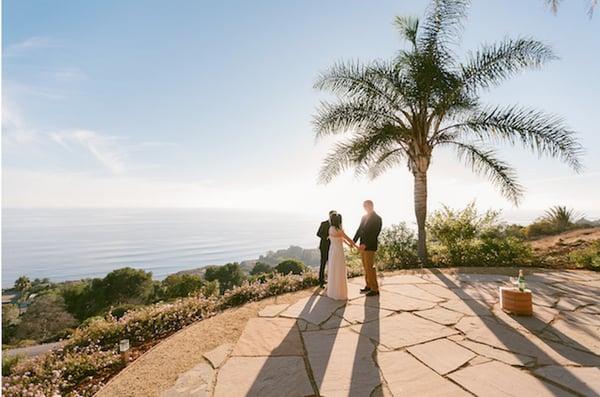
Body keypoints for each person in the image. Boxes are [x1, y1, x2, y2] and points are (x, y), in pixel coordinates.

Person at [353, 200, 383, 296]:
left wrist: (365, 244)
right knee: (366, 267)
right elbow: (359, 229)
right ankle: (368, 285)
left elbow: (374, 234)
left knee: (370, 267)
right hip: (362, 246)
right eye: (364, 206)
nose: (366, 208)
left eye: (367, 206)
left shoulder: (377, 218)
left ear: (372, 206)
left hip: (370, 246)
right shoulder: (364, 217)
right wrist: (353, 241)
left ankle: (375, 289)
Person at [326, 213, 358, 300]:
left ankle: (333, 292)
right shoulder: (339, 230)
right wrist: (356, 246)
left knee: (333, 270)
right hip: (338, 251)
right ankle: (340, 293)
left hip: (332, 250)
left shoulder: (331, 228)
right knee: (339, 270)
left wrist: (348, 244)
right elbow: (347, 238)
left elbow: (341, 239)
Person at [316, 210, 336, 288]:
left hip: (333, 246)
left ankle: (331, 280)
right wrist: (326, 237)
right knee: (323, 264)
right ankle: (321, 281)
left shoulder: (335, 225)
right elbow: (318, 234)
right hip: (324, 246)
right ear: (329, 215)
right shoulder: (324, 223)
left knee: (332, 264)